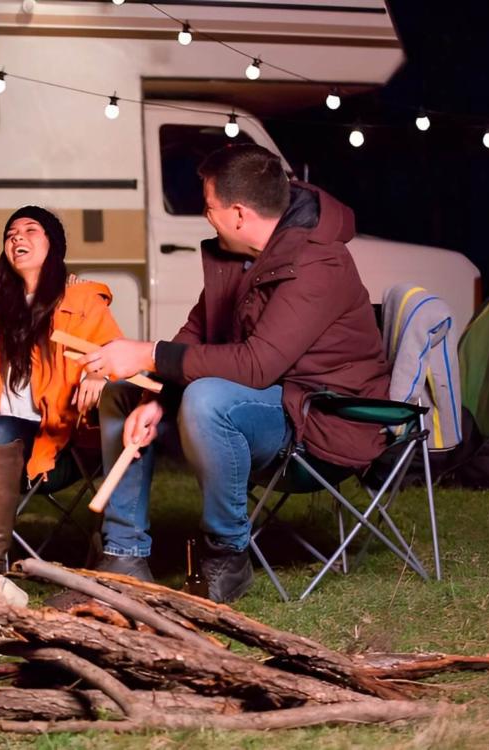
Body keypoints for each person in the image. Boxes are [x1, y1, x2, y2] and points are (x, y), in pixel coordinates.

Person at [80, 144, 391, 602]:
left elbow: (257, 364)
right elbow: (198, 330)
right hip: (265, 402)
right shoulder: (244, 253)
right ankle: (124, 554)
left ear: (240, 213)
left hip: (318, 418)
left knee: (207, 399)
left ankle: (227, 554)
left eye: (210, 208)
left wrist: (147, 353)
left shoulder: (319, 263)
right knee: (125, 391)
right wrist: (157, 396)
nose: (207, 217)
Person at [0, 206, 123, 584]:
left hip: (57, 446)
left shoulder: (81, 303)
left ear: (54, 246)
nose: (18, 237)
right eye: (11, 233)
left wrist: (98, 373)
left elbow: (111, 354)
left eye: (31, 230)